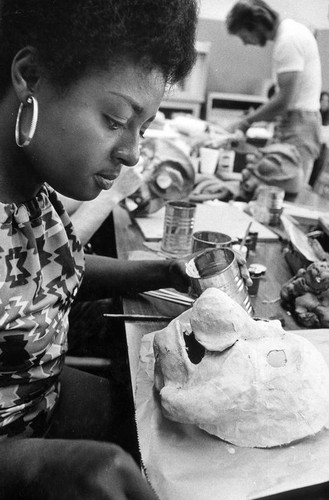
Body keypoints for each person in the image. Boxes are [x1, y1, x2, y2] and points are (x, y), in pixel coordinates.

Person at [0, 0, 199, 498]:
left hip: (44, 403)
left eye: (143, 128)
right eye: (115, 120)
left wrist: (164, 271)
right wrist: (27, 467)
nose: (133, 152)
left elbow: (44, 275)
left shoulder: (31, 191)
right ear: (31, 75)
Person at [225, 0, 322, 200]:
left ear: (256, 24)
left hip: (299, 127)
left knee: (283, 199)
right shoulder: (289, 34)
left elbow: (285, 100)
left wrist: (246, 121)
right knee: (270, 195)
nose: (246, 43)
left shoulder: (288, 40)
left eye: (245, 36)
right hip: (295, 123)